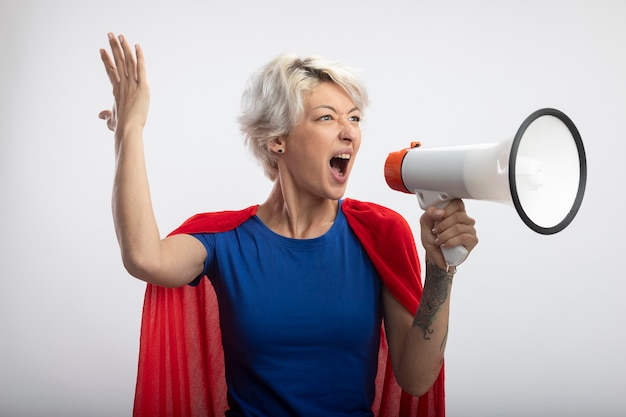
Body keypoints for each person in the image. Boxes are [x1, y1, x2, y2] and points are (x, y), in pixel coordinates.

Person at [98, 32, 478, 417]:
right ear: (277, 140)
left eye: (355, 118)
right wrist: (130, 130)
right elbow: (144, 257)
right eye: (327, 117)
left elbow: (415, 379)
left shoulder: (381, 232)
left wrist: (440, 270)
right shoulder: (226, 241)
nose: (349, 131)